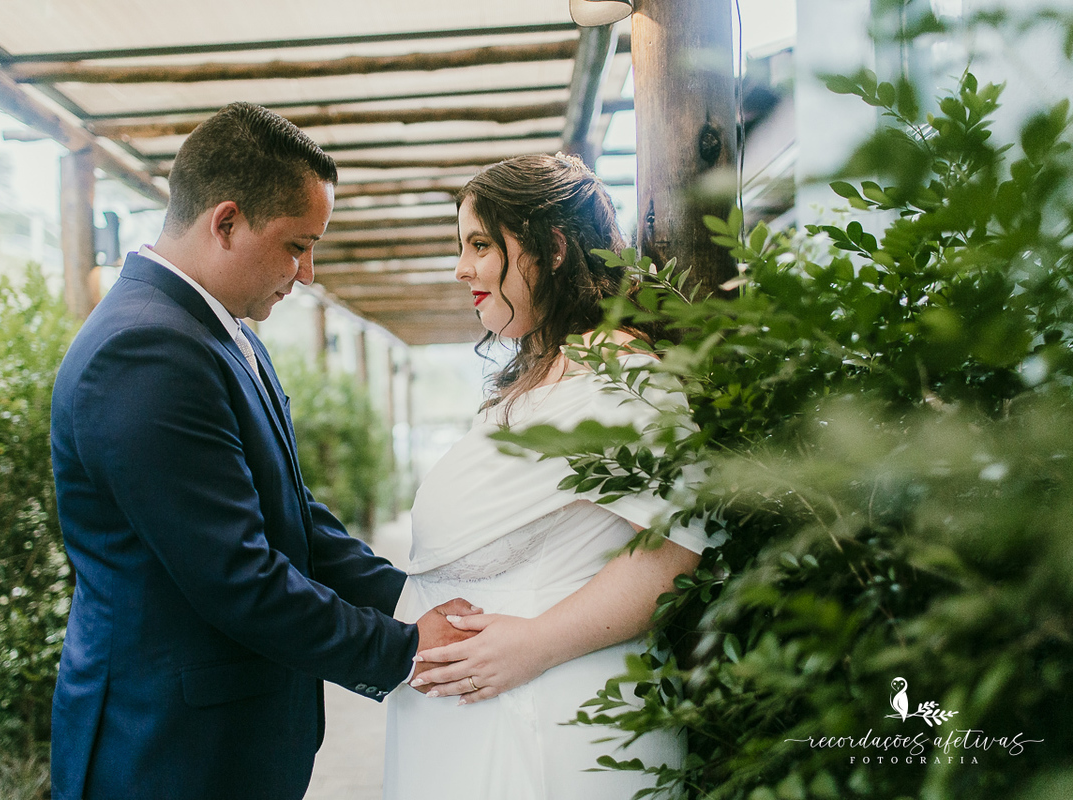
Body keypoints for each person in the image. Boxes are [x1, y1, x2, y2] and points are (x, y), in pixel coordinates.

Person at [48, 102, 476, 800]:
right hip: (165, 750)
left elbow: (289, 514)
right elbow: (235, 574)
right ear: (226, 223)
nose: (307, 272)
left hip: (221, 740)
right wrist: (403, 648)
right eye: (296, 245)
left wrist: (408, 596)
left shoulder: (219, 332)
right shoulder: (145, 350)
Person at [382, 154, 717, 799]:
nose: (461, 268)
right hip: (488, 714)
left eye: (481, 245)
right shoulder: (542, 371)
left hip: (548, 711)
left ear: (553, 248)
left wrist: (534, 644)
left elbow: (674, 547)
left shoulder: (621, 372)